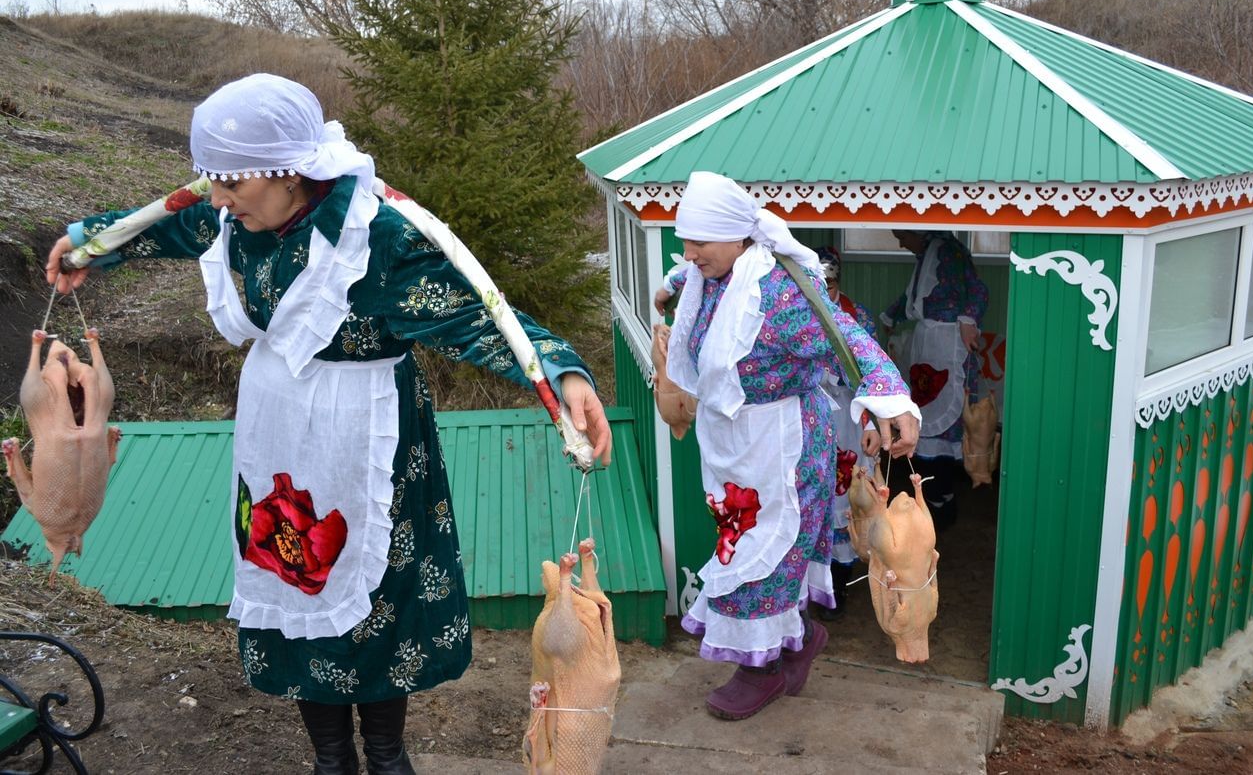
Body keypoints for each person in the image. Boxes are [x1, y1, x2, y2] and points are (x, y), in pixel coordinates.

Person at [45, 73, 612, 775]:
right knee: (293, 582)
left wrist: (564, 375)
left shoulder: (377, 237)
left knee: (372, 605)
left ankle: (386, 753)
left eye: (232, 183)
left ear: (290, 171)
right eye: (212, 181)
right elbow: (163, 220)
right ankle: (331, 758)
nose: (216, 199)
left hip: (372, 438)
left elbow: (478, 314)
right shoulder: (231, 215)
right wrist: (86, 246)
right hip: (279, 434)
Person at [652, 172, 919, 721]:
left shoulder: (780, 295)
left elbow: (848, 338)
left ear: (735, 236)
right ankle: (797, 643)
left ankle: (761, 670)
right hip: (735, 443)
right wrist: (672, 283)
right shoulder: (714, 275)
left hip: (784, 444)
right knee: (744, 539)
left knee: (764, 551)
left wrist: (892, 401)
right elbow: (686, 272)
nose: (689, 253)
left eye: (700, 241)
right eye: (686, 240)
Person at [881, 229, 988, 530]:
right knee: (924, 409)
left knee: (942, 417)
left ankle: (942, 499)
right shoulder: (926, 254)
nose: (901, 242)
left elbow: (978, 290)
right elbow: (912, 298)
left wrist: (969, 321)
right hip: (927, 343)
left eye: (902, 236)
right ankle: (929, 496)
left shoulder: (948, 251)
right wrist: (891, 317)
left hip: (947, 342)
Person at [813, 246, 880, 622]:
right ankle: (811, 584)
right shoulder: (798, 311)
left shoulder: (859, 317)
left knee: (846, 494)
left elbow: (872, 377)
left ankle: (840, 582)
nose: (825, 289)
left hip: (849, 416)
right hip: (810, 413)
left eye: (831, 283)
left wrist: (871, 422)